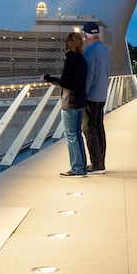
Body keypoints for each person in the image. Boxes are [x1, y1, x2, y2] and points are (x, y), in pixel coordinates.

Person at [42, 30, 87, 177]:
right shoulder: (82, 60)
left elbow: (64, 82)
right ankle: (82, 167)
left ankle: (77, 169)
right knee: (77, 135)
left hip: (70, 101)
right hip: (80, 101)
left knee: (70, 136)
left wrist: (48, 78)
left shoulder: (71, 60)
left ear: (69, 44)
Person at [81, 22, 111, 173]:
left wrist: (83, 95)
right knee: (99, 127)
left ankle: (96, 163)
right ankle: (101, 161)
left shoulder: (89, 52)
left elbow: (88, 76)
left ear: (86, 35)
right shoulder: (105, 49)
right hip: (102, 94)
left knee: (88, 128)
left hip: (91, 95)